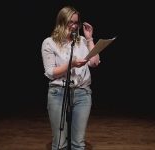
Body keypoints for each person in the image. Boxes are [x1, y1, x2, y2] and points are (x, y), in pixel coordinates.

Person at [41, 6, 100, 150]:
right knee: (60, 143)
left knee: (78, 143)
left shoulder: (81, 41)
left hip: (82, 93)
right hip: (58, 93)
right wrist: (71, 64)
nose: (74, 26)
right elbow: (50, 72)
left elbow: (95, 62)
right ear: (61, 22)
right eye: (70, 22)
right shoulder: (49, 42)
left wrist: (89, 38)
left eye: (76, 23)